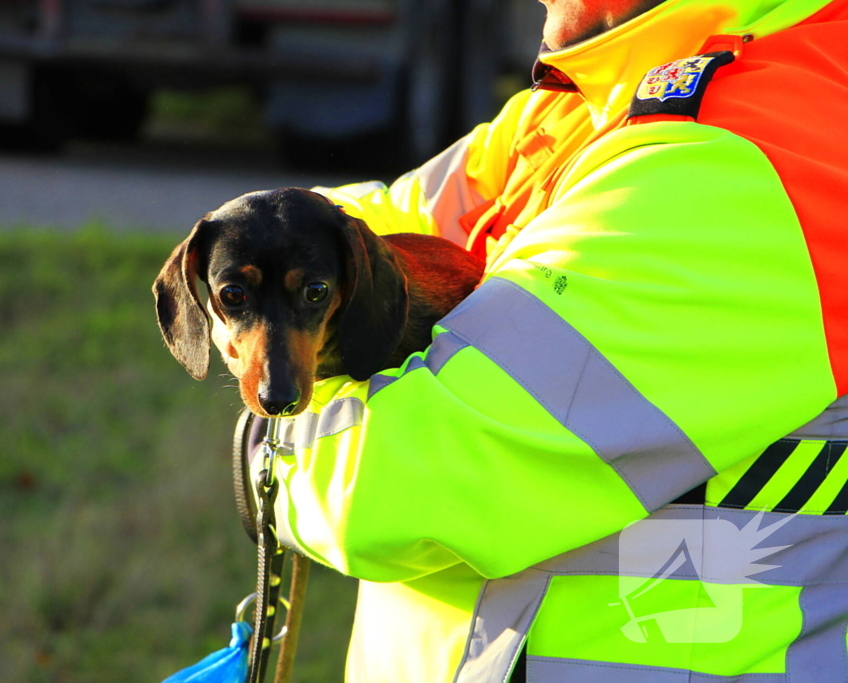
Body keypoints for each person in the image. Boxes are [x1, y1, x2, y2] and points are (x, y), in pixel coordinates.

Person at [252, 0, 848, 678]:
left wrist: (267, 426)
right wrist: (274, 283)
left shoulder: (742, 154)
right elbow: (344, 227)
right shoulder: (584, 99)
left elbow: (392, 488)